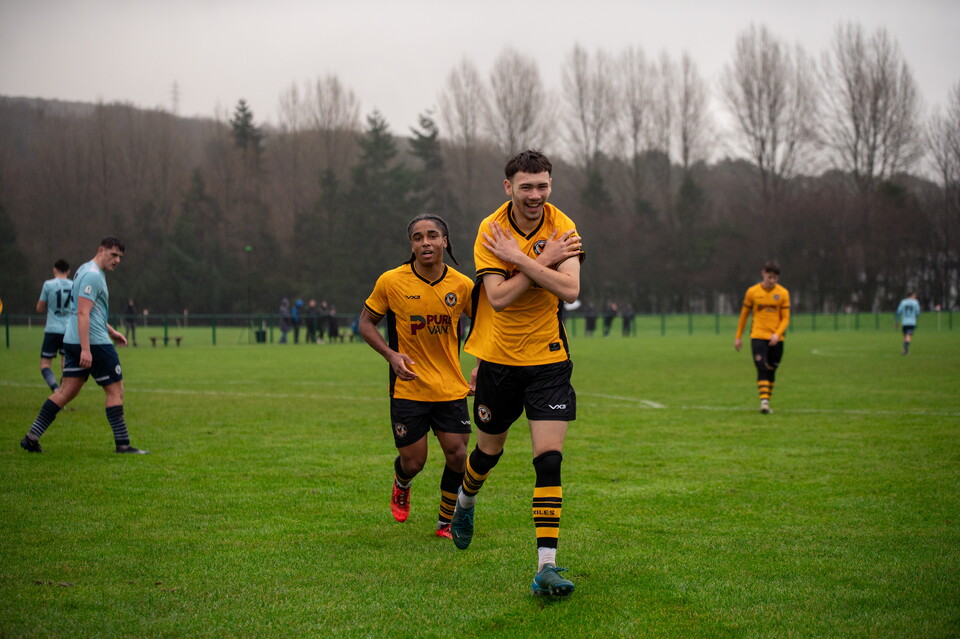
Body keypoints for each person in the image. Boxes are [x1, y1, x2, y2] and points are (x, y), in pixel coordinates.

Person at [451, 150, 584, 598]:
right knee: (488, 452)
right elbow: (500, 297)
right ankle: (465, 500)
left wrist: (526, 259)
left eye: (542, 185)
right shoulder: (491, 230)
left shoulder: (563, 227)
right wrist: (544, 261)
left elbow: (570, 288)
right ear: (508, 187)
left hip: (547, 359)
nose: (535, 195)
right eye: (526, 186)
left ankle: (546, 565)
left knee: (549, 460)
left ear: (551, 185)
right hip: (499, 360)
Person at [359, 213, 474, 539]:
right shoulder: (391, 282)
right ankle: (402, 483)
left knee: (457, 455)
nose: (426, 242)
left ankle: (445, 522)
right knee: (414, 462)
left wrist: (480, 365)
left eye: (433, 236)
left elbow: (485, 326)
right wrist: (391, 355)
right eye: (418, 237)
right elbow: (366, 324)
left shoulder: (462, 285)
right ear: (411, 244)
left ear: (445, 241)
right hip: (408, 388)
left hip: (451, 387)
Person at [21, 237, 148, 454]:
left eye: (120, 257)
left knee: (65, 392)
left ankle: (31, 437)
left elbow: (87, 309)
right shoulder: (93, 275)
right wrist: (87, 348)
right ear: (101, 250)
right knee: (115, 389)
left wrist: (112, 331)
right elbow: (82, 313)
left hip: (72, 340)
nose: (117, 260)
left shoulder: (83, 270)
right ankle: (123, 444)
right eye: (113, 254)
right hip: (94, 343)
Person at [734, 261, 791, 414]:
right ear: (763, 274)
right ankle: (764, 403)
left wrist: (777, 334)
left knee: (772, 370)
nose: (771, 281)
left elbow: (785, 318)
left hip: (776, 338)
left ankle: (767, 401)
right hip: (758, 335)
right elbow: (744, 315)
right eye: (769, 277)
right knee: (761, 367)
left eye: (774, 278)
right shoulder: (752, 292)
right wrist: (738, 336)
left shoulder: (783, 293)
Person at [37, 259, 74, 391]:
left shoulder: (48, 285)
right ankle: (62, 394)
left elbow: (40, 308)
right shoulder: (74, 285)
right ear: (68, 271)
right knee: (66, 365)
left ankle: (55, 389)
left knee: (45, 365)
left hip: (52, 329)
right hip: (69, 331)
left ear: (54, 270)